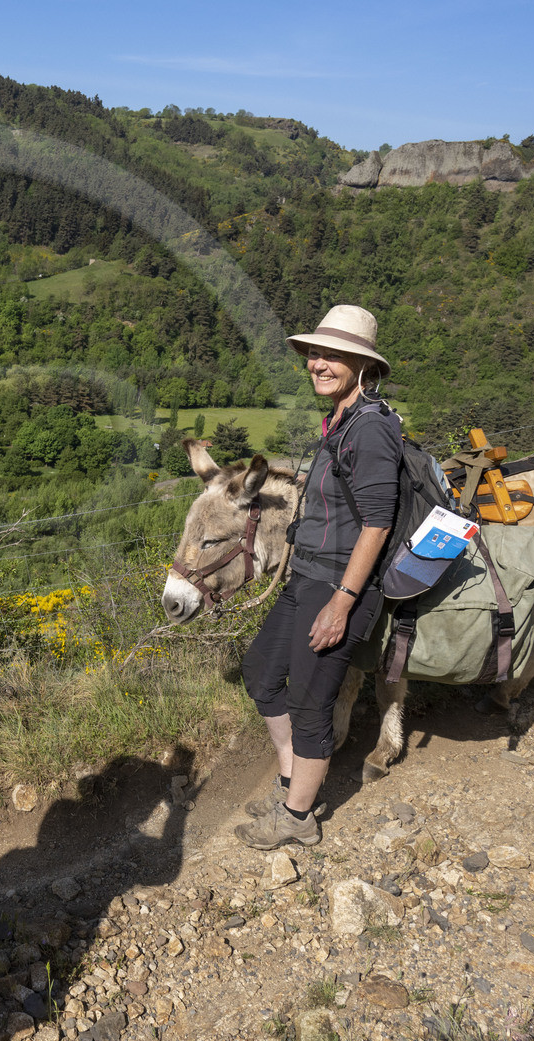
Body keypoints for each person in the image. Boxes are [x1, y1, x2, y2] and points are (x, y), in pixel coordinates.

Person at [234, 305, 401, 850]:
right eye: (314, 354)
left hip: (338, 585)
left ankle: (297, 818)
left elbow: (377, 523)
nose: (318, 364)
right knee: (261, 672)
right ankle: (291, 786)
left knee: (310, 702)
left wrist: (343, 602)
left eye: (333, 355)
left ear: (361, 363)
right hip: (306, 576)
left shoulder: (371, 429)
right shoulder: (340, 421)